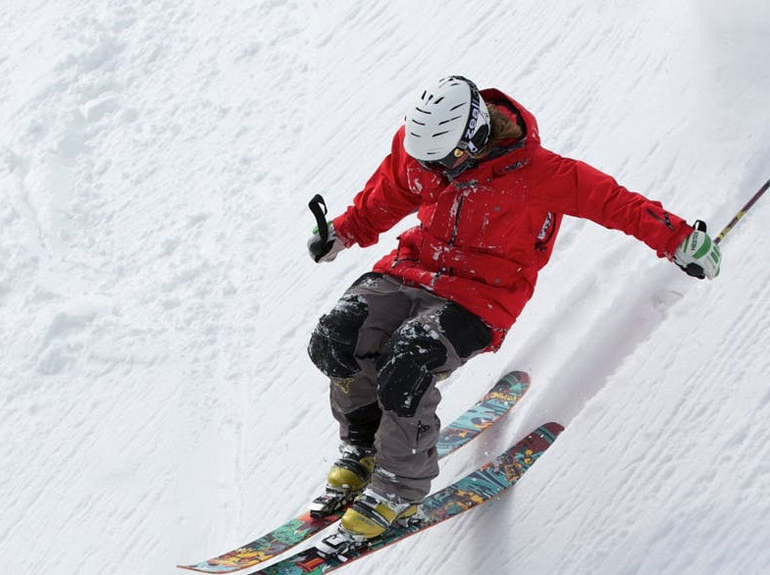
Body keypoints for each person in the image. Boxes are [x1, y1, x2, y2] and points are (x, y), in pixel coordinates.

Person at [305, 76, 721, 542]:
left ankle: (398, 488)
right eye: (426, 160)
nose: (435, 171)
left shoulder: (540, 174)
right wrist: (344, 230)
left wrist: (679, 238)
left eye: (443, 160)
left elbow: (615, 203)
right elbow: (393, 190)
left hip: (480, 296)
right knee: (336, 337)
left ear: (474, 136)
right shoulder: (424, 149)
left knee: (407, 362)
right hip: (412, 269)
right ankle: (363, 447)